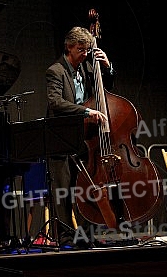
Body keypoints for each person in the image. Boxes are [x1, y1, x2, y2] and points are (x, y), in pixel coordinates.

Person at [45, 26, 115, 248]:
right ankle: (66, 237)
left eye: (87, 50)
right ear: (69, 47)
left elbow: (104, 91)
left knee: (88, 187)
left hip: (84, 138)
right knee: (63, 189)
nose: (85, 54)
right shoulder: (55, 71)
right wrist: (86, 111)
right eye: (81, 50)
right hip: (61, 138)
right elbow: (55, 102)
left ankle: (87, 235)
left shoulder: (87, 68)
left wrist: (107, 67)